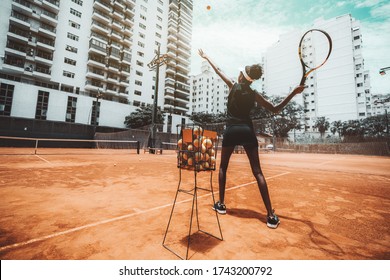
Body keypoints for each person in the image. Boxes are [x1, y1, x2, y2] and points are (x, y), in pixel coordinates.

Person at [198, 49, 305, 229]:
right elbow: (275, 109)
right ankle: (270, 215)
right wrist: (293, 93)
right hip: (247, 130)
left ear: (242, 77)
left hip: (231, 130)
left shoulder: (232, 85)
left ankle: (221, 205)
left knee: (223, 167)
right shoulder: (254, 94)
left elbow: (217, 69)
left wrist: (207, 56)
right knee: (258, 172)